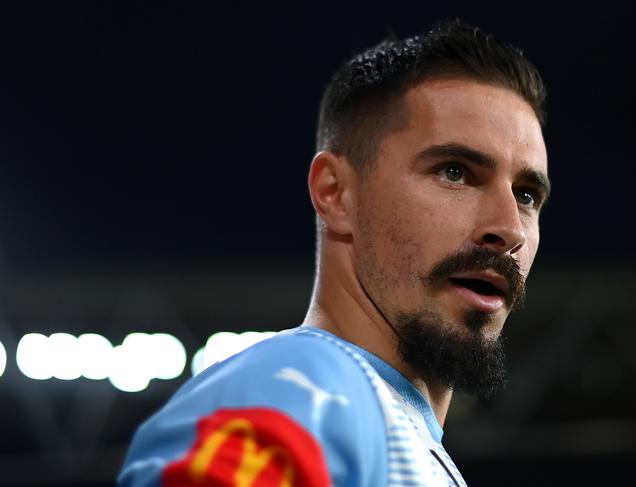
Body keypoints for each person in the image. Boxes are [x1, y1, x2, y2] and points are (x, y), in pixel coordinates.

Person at [119, 19, 550, 487]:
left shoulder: (384, 430)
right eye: (454, 171)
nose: (509, 228)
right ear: (336, 193)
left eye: (527, 195)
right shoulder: (296, 395)